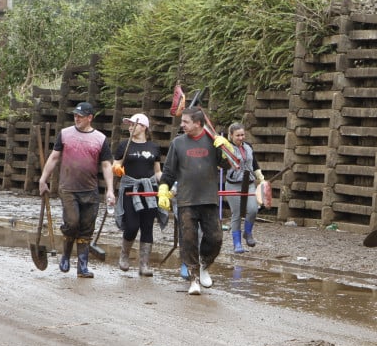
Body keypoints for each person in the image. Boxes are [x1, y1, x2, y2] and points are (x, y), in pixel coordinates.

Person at [157, 106, 233, 295]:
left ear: (198, 123)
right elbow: (168, 170)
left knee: (215, 238)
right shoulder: (178, 143)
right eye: (182, 121)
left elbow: (226, 165)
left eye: (185, 122)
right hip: (186, 200)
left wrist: (226, 148)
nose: (181, 125)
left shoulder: (212, 141)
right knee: (188, 239)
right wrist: (163, 188)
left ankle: (204, 265)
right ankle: (194, 279)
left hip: (209, 199)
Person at [39, 102, 115, 278]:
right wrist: (43, 179)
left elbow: (106, 165)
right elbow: (54, 157)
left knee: (87, 228)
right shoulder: (65, 134)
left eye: (81, 116)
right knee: (72, 222)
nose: (77, 118)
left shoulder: (100, 139)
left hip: (90, 190)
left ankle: (82, 266)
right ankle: (65, 255)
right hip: (68, 188)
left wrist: (110, 190)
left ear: (90, 118)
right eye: (75, 115)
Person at [112, 113, 168, 277]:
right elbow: (115, 164)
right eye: (129, 125)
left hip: (149, 190)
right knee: (131, 226)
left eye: (133, 124)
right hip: (131, 189)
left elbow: (157, 171)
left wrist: (165, 184)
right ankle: (124, 255)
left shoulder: (154, 147)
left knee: (147, 226)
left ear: (143, 127)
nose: (130, 127)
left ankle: (144, 265)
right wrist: (116, 168)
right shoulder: (124, 145)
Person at [223, 122, 264, 254]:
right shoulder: (226, 148)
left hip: (250, 182)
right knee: (236, 214)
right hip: (233, 183)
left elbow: (254, 163)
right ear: (231, 136)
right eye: (237, 135)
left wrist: (261, 178)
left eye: (242, 135)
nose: (241, 138)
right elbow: (221, 164)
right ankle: (237, 243)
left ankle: (248, 233)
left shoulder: (248, 147)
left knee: (253, 209)